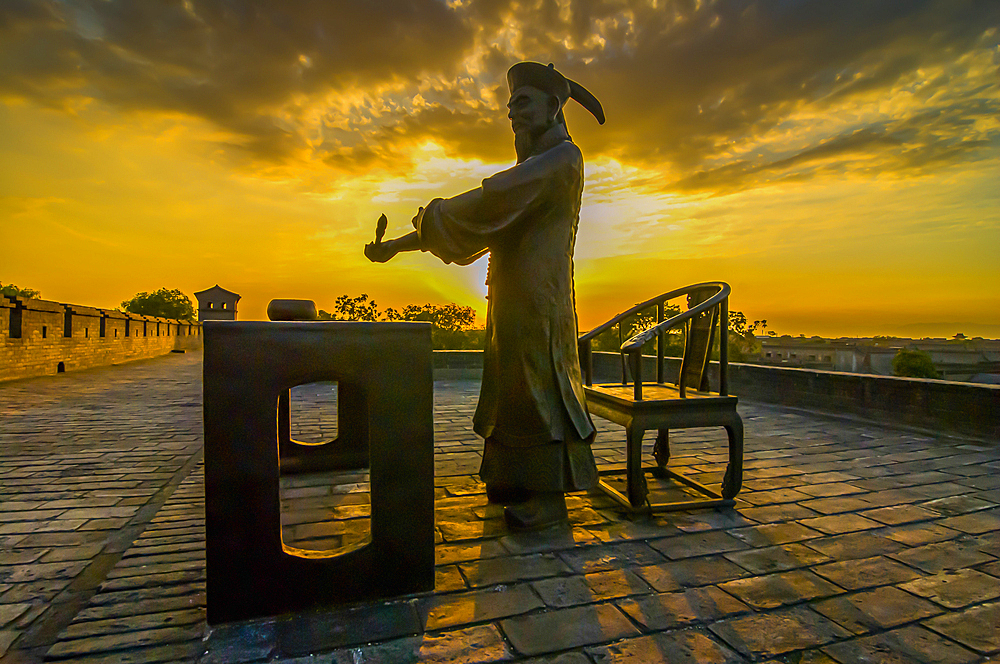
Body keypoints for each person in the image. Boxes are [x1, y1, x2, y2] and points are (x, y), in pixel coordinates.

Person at [365, 62, 605, 531]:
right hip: (510, 293)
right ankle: (513, 477)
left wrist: (430, 217)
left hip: (540, 297)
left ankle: (550, 498)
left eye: (523, 101)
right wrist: (398, 244)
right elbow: (488, 220)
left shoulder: (562, 160)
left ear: (553, 106)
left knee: (539, 388)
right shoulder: (534, 167)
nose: (511, 110)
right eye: (510, 102)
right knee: (510, 387)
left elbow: (490, 201)